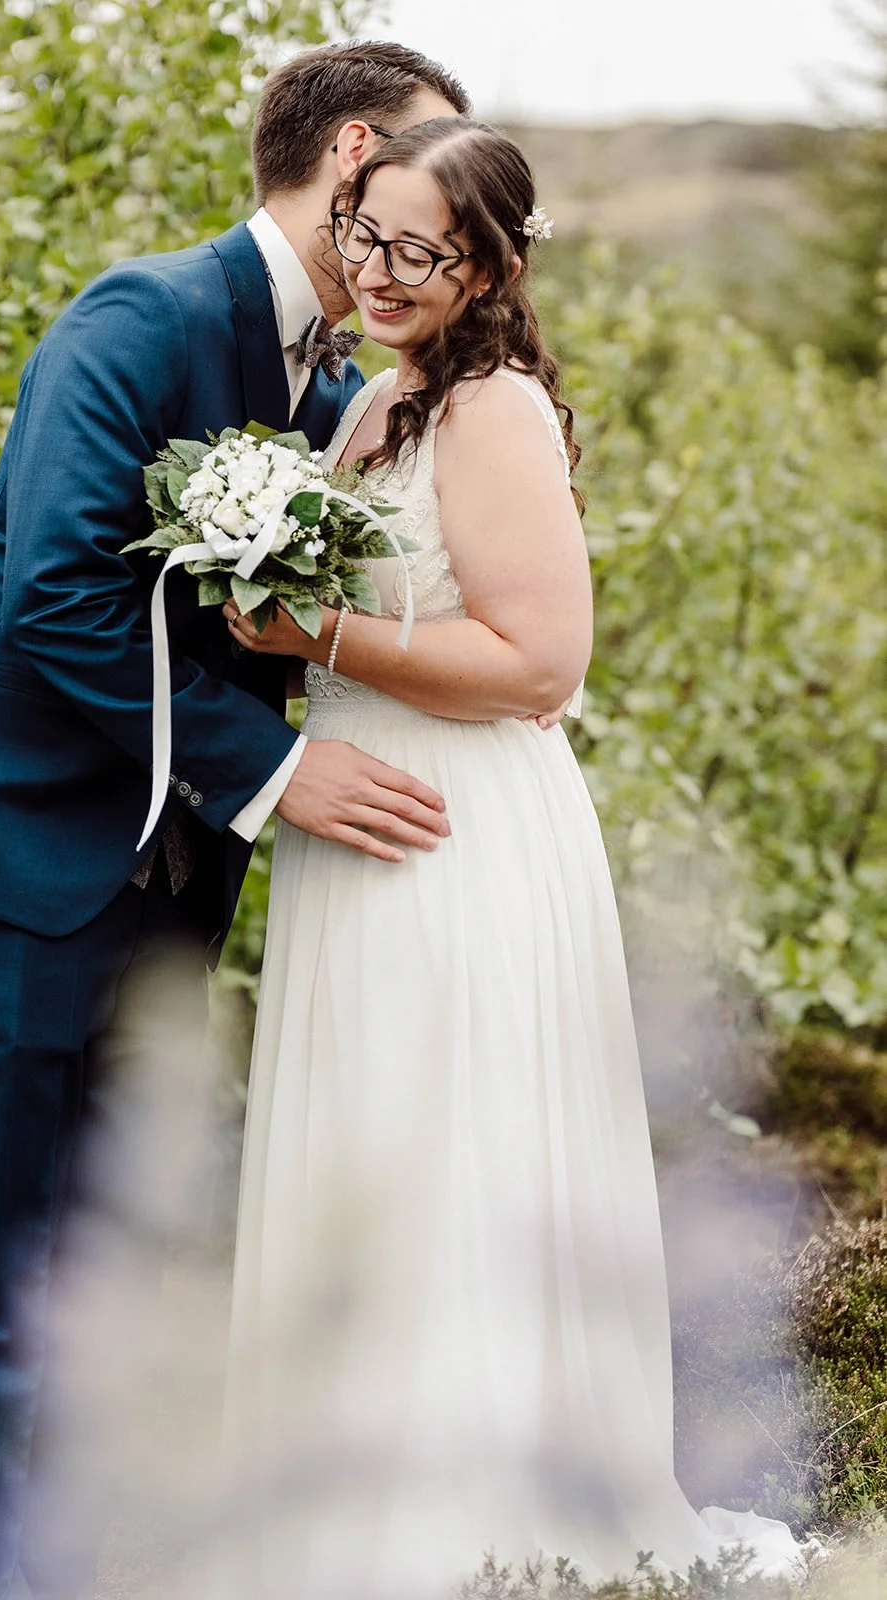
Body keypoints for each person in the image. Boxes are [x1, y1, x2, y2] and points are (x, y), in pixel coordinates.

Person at [0, 43, 487, 1600]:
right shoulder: (144, 313)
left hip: (154, 874)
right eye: (434, 170)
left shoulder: (324, 377)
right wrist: (269, 772)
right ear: (357, 158)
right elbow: (56, 597)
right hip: (4, 843)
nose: (444, 211)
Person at [221, 116, 807, 1591]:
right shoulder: (363, 409)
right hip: (358, 820)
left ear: (486, 265)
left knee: (450, 1152)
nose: (379, 269)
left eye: (418, 249)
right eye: (364, 236)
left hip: (457, 825)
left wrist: (307, 633)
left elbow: (541, 663)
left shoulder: (491, 412)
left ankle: (466, 1525)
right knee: (369, 1146)